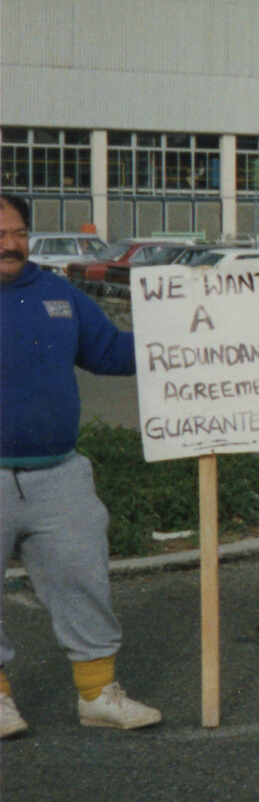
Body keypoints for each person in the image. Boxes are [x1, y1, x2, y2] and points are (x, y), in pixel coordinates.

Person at [0, 192, 161, 735]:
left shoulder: (57, 294)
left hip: (60, 475)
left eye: (18, 232)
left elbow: (110, 352)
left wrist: (182, 338)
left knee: (84, 582)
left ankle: (97, 694)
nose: (9, 242)